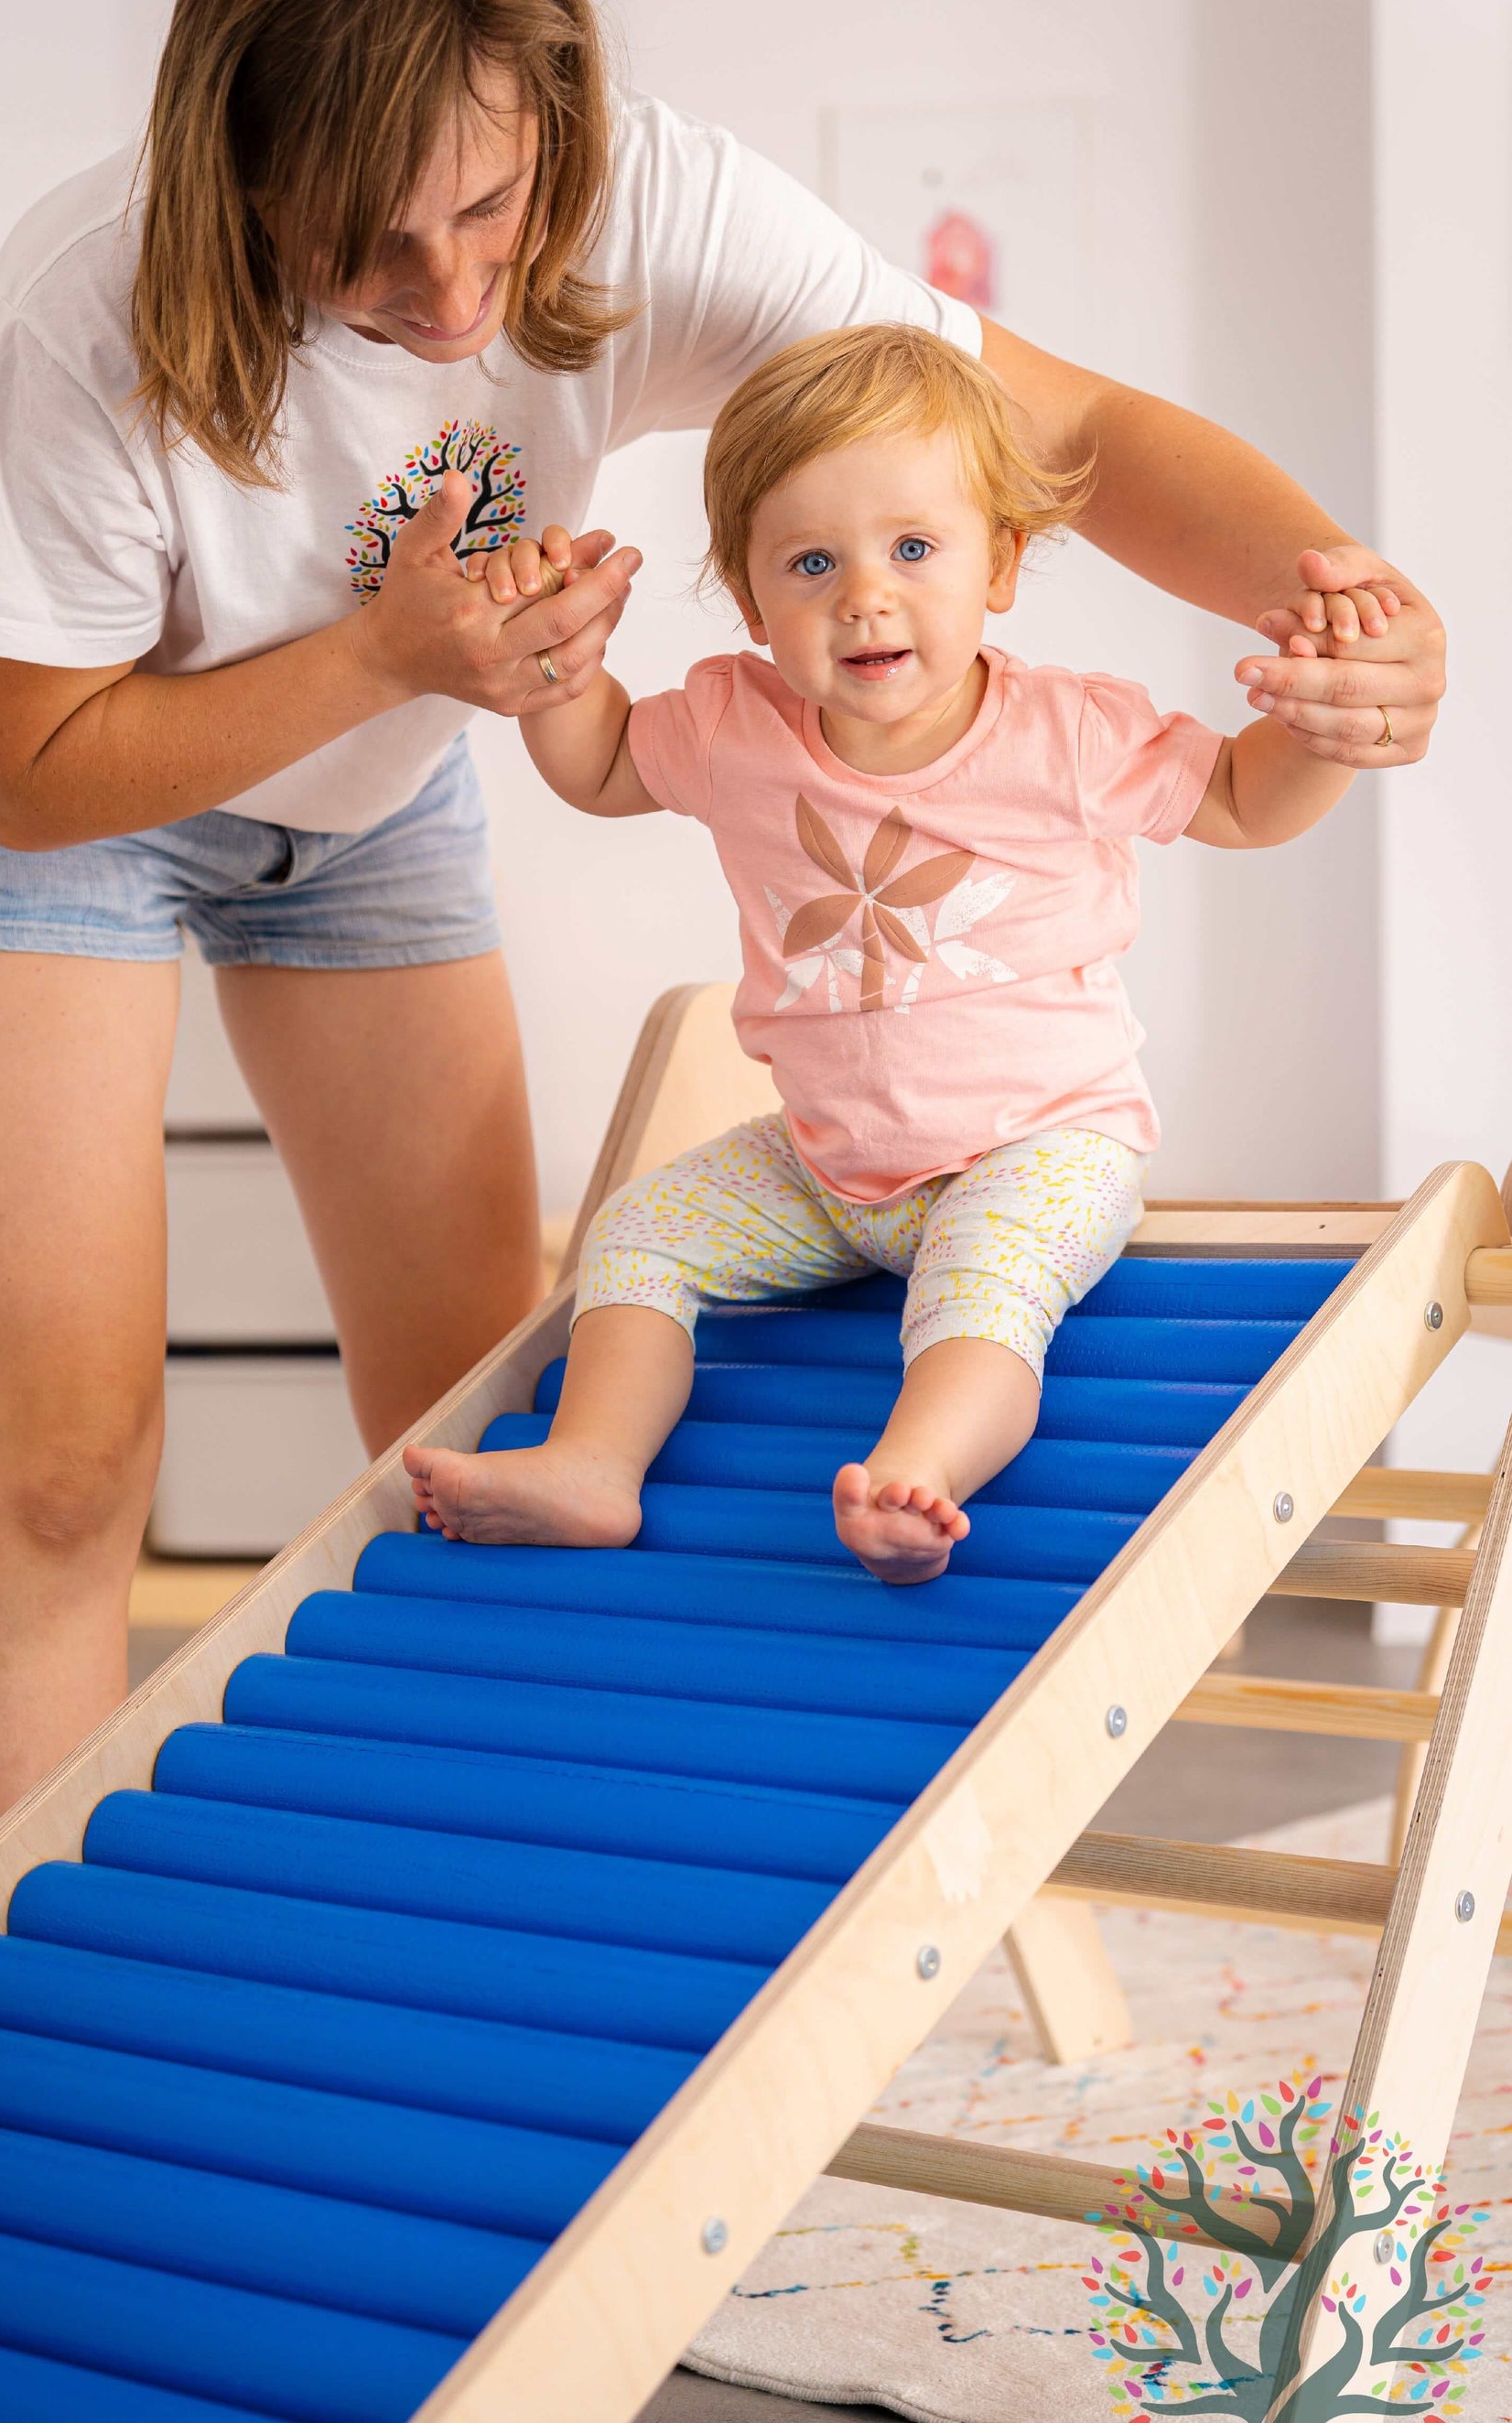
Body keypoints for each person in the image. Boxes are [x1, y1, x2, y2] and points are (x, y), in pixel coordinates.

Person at [0, 0, 1443, 1862]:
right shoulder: (88, 308)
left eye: (491, 210)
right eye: (369, 244)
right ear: (237, 168)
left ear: (556, 121)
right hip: (80, 763)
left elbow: (1054, 426)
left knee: (479, 1386)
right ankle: (12, 1997)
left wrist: (1351, 610)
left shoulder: (652, 206)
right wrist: (391, 651)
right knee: (67, 1447)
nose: (454, 297)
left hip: (381, 766)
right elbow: (34, 776)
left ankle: (453, 1869)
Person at [404, 325, 1382, 1581]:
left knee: (978, 1297)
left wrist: (1321, 731)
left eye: (913, 549)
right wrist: (554, 666)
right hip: (827, 1169)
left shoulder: (1063, 733)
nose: (863, 595)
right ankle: (593, 1465)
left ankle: (920, 1470)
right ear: (752, 603)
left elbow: (1244, 802)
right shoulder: (731, 725)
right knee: (636, 1230)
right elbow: (597, 767)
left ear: (1001, 565)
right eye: (810, 563)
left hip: (1036, 1146)